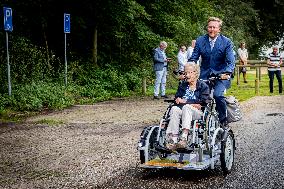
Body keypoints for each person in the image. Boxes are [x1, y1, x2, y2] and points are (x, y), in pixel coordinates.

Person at [189, 17, 235, 127]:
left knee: (218, 95)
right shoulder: (200, 40)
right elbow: (193, 58)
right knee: (200, 96)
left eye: (214, 27)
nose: (212, 29)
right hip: (205, 74)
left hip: (221, 75)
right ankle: (201, 119)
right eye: (210, 27)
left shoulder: (226, 42)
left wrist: (227, 72)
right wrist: (187, 69)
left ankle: (223, 120)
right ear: (207, 28)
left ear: (219, 29)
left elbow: (231, 61)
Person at [165, 63, 210, 150]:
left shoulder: (203, 86)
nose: (187, 75)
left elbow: (203, 102)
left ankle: (184, 138)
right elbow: (177, 98)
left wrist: (186, 102)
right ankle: (173, 140)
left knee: (187, 107)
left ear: (196, 73)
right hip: (182, 111)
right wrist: (177, 100)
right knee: (174, 108)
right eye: (185, 73)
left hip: (197, 113)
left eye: (190, 73)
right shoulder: (183, 85)